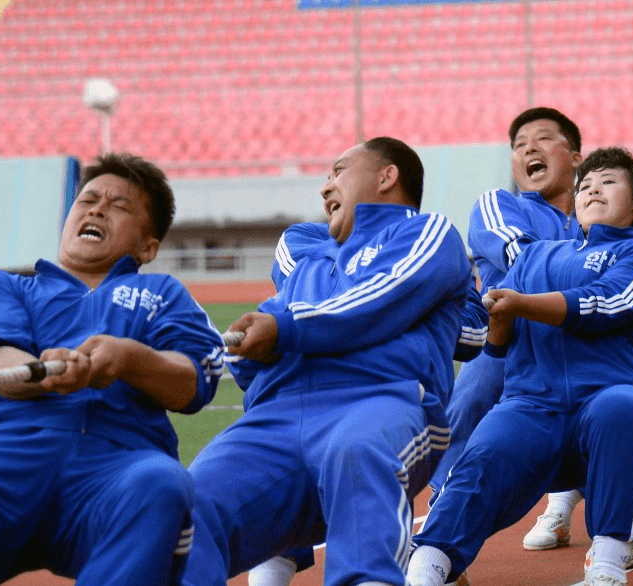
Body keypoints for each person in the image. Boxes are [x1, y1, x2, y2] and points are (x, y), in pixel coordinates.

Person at [182, 137, 472, 586]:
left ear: (387, 176)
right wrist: (253, 349)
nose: (324, 187)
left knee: (357, 450)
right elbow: (254, 356)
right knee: (183, 510)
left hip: (378, 403)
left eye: (338, 171)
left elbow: (377, 299)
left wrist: (283, 330)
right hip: (275, 421)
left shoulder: (427, 234)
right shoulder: (310, 263)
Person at [407, 147, 633, 586]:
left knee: (624, 409)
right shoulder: (534, 256)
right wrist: (497, 316)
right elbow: (498, 345)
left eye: (608, 182)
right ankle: (428, 566)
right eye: (585, 185)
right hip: (531, 403)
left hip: (607, 394)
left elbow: (605, 303)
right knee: (484, 450)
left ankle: (607, 563)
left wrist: (520, 304)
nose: (593, 190)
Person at [0, 153, 226, 585]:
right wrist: (42, 373)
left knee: (163, 486)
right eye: (88, 200)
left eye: (119, 205)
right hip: (4, 458)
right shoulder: (1, 285)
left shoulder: (163, 293)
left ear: (147, 247)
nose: (97, 210)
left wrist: (130, 357)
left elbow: (193, 381)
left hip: (117, 467)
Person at [421, 107, 586, 554]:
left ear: (575, 156)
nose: (529, 148)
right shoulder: (500, 204)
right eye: (519, 144)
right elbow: (525, 261)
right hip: (510, 343)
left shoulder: (598, 209)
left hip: (583, 346)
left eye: (543, 138)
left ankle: (629, 513)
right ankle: (438, 528)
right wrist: (595, 272)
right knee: (469, 406)